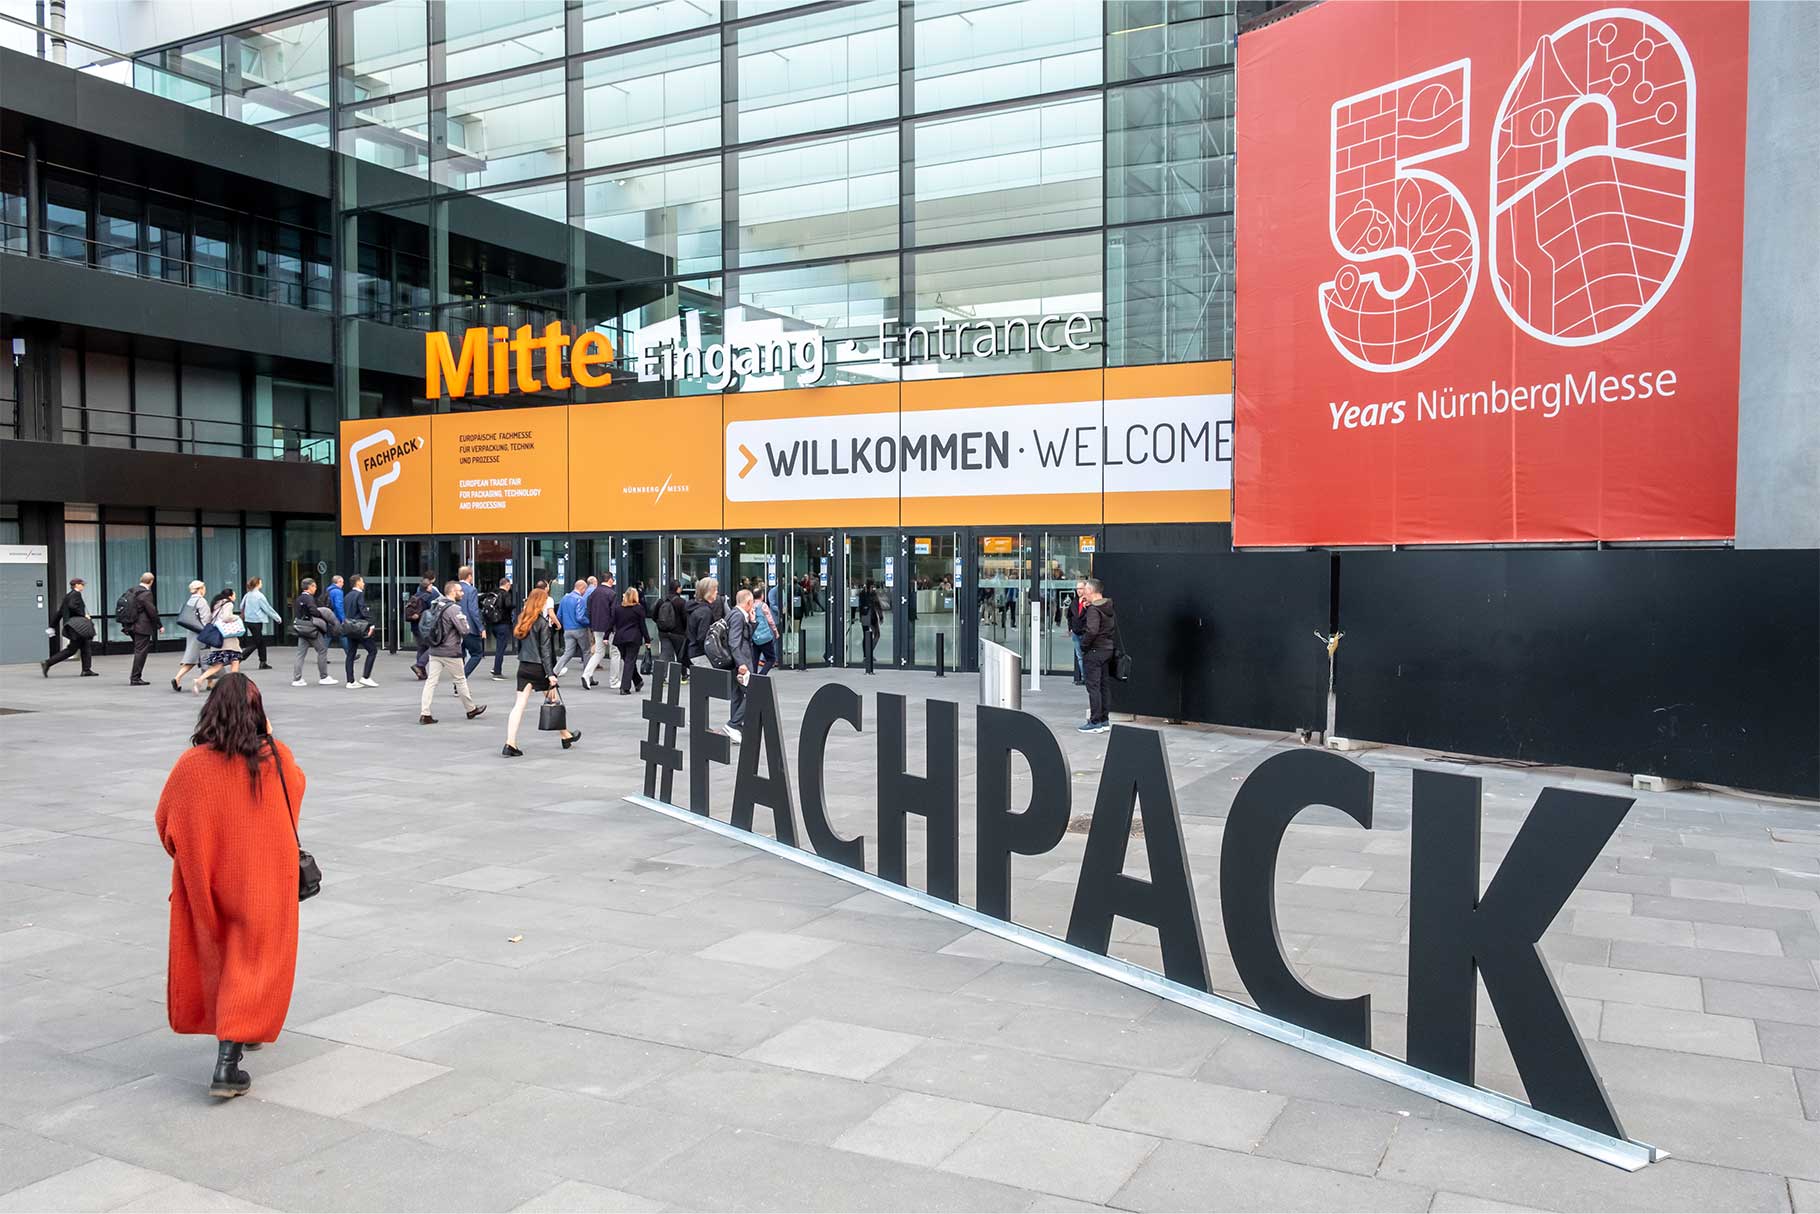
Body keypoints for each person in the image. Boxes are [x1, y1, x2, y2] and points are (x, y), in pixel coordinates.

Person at [154, 672, 304, 1098]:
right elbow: (295, 798)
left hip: (210, 880)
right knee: (255, 955)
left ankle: (243, 1028)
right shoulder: (276, 759)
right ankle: (227, 1062)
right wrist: (269, 735)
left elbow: (166, 825)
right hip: (262, 881)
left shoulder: (191, 766)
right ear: (258, 713)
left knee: (227, 952)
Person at [501, 586, 579, 757]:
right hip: (539, 669)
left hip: (524, 666)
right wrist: (551, 673)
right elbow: (545, 651)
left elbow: (521, 646)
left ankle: (510, 743)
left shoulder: (523, 620)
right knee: (554, 700)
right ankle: (565, 735)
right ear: (540, 603)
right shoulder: (542, 623)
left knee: (519, 706)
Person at [419, 579, 485, 725]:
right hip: (450, 651)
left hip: (435, 649)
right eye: (460, 591)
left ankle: (425, 713)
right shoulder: (454, 609)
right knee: (460, 680)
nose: (462, 593)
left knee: (431, 682)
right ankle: (471, 709)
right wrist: (466, 622)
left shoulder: (436, 603)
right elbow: (464, 630)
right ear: (453, 592)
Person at [1079, 577, 1117, 733]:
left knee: (1093, 686)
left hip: (1095, 650)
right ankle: (1104, 720)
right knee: (1103, 686)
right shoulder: (1108, 607)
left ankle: (1095, 722)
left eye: (1085, 589)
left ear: (1091, 591)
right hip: (1107, 649)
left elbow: (1092, 630)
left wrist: (1084, 645)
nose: (1083, 592)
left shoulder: (1094, 610)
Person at [722, 589, 758, 744]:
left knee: (737, 695)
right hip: (741, 661)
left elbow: (745, 636)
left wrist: (752, 621)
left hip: (735, 662)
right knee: (752, 695)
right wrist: (741, 663)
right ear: (749, 602)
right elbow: (734, 642)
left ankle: (735, 730)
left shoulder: (734, 613)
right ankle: (733, 724)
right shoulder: (737, 616)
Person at [43, 576, 97, 677]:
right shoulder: (76, 594)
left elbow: (60, 612)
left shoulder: (68, 596)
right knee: (72, 649)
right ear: (76, 585)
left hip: (73, 626)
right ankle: (48, 663)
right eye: (82, 584)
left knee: (85, 646)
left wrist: (52, 626)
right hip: (77, 626)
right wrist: (83, 614)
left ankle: (86, 669)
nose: (83, 586)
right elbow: (73, 606)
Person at [191, 591, 245, 693]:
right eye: (234, 594)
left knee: (218, 664)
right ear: (230, 596)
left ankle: (199, 680)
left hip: (218, 638)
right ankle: (233, 685)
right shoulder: (228, 604)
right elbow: (226, 617)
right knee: (235, 660)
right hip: (228, 638)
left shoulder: (216, 604)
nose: (235, 596)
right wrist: (236, 617)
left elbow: (210, 619)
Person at [289, 579, 337, 686]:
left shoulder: (299, 598)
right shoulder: (309, 598)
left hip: (301, 628)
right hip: (311, 628)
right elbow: (314, 611)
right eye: (314, 587)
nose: (315, 589)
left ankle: (297, 678)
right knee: (322, 650)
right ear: (310, 586)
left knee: (300, 654)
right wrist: (321, 614)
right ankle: (324, 676)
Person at [581, 573, 621, 690]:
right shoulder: (612, 594)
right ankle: (614, 681)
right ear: (609, 580)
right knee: (615, 652)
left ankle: (586, 674)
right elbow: (613, 613)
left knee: (599, 652)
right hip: (609, 628)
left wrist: (592, 624)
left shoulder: (593, 593)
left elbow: (588, 610)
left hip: (596, 627)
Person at [341, 574, 379, 688]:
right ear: (358, 582)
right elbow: (363, 610)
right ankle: (366, 677)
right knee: (372, 650)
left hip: (349, 627)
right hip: (359, 627)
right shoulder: (359, 595)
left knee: (351, 654)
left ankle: (350, 681)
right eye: (362, 582)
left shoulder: (347, 596)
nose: (364, 584)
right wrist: (371, 624)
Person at [172, 580, 210, 692]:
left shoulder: (190, 600)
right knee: (203, 656)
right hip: (201, 632)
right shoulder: (201, 601)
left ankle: (210, 682)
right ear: (200, 589)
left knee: (198, 657)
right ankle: (178, 677)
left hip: (191, 631)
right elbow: (205, 618)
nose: (205, 590)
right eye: (204, 588)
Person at [126, 572, 162, 685]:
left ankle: (135, 676)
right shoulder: (146, 593)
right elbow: (151, 611)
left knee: (138, 650)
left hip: (131, 625)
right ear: (151, 581)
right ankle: (135, 678)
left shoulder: (131, 590)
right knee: (140, 652)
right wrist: (159, 625)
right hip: (142, 626)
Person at [613, 587, 648, 696]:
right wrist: (647, 639)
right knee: (630, 661)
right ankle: (625, 687)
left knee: (628, 660)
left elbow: (613, 622)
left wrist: (606, 635)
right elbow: (643, 625)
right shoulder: (638, 608)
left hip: (620, 638)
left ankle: (637, 681)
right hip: (633, 637)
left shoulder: (618, 608)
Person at [239, 577, 278, 670]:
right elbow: (267, 608)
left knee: (261, 641)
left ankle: (263, 662)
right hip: (257, 621)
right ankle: (240, 656)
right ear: (257, 584)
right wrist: (277, 618)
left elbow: (241, 606)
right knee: (257, 642)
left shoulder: (247, 595)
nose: (262, 584)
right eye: (261, 582)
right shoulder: (259, 596)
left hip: (248, 620)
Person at [481, 576, 515, 681]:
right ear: (507, 585)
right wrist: (515, 606)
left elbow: (481, 600)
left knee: (499, 646)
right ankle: (497, 671)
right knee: (501, 648)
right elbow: (508, 605)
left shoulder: (493, 593)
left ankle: (496, 667)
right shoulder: (506, 594)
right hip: (503, 624)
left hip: (493, 624)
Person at [654, 579, 689, 676]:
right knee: (681, 654)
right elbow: (685, 618)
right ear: (678, 589)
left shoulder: (661, 601)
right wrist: (686, 630)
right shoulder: (681, 602)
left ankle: (661, 676)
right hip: (678, 633)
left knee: (665, 653)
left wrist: (661, 625)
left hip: (663, 632)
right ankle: (683, 675)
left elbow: (654, 615)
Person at [554, 580, 589, 677]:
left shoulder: (564, 598)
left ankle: (554, 672)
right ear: (582, 588)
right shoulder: (580, 599)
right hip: (579, 629)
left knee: (568, 653)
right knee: (586, 651)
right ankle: (587, 676)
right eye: (585, 590)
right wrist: (589, 623)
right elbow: (580, 617)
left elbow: (559, 615)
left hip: (567, 629)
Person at [406, 573, 437, 678]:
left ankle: (421, 673)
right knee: (433, 647)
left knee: (421, 648)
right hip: (424, 627)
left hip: (415, 627)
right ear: (428, 587)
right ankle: (419, 665)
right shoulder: (429, 597)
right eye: (431, 586)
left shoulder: (415, 596)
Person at [457, 565, 485, 679]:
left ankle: (459, 684)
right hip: (468, 627)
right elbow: (473, 610)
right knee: (477, 654)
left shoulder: (455, 588)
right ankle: (462, 678)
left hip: (456, 626)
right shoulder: (471, 590)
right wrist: (481, 628)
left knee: (460, 655)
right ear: (469, 576)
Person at [686, 576, 720, 665]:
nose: (717, 592)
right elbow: (702, 637)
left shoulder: (695, 607)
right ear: (709, 592)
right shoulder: (705, 611)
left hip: (693, 651)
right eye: (715, 589)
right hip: (701, 654)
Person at [750, 587, 781, 675]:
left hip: (754, 636)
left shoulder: (750, 606)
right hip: (765, 637)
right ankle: (762, 674)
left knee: (754, 659)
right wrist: (775, 632)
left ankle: (754, 676)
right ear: (762, 596)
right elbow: (770, 620)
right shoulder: (763, 606)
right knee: (771, 658)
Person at [859, 580, 882, 675]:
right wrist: (880, 616)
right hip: (869, 616)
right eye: (872, 586)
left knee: (869, 635)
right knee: (871, 635)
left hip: (866, 616)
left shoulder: (863, 593)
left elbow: (876, 605)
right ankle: (868, 654)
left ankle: (867, 654)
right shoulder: (868, 593)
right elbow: (877, 605)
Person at [1068, 579, 1088, 685]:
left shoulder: (1089, 602)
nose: (1079, 591)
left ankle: (1089, 677)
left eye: (1081, 588)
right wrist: (1070, 628)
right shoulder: (1074, 602)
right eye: (1077, 588)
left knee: (1087, 656)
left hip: (1085, 633)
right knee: (1079, 656)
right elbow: (1069, 616)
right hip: (1076, 633)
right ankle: (1084, 677)